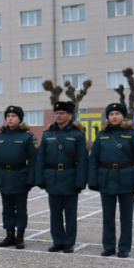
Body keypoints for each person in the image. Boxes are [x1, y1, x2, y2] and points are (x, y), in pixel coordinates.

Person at [88, 103, 134, 258]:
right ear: (107, 117)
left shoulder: (133, 135)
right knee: (108, 216)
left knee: (126, 216)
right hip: (106, 177)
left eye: (117, 114)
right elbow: (93, 160)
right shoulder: (102, 135)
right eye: (111, 114)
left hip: (126, 177)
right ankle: (108, 246)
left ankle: (124, 247)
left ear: (123, 116)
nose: (114, 117)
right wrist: (92, 180)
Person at [35, 101, 88, 253]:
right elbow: (40, 159)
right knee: (55, 213)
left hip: (70, 177)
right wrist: (40, 179)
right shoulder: (48, 134)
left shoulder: (77, 135)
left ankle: (69, 242)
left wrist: (80, 182)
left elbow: (83, 160)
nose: (58, 115)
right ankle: (57, 241)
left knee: (70, 214)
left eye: (62, 113)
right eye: (57, 113)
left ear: (70, 115)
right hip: (52, 177)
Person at [0, 106, 37, 249]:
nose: (10, 118)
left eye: (13, 116)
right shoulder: (0, 136)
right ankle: (9, 235)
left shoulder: (27, 137)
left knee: (20, 209)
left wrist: (30, 179)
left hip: (20, 176)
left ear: (20, 119)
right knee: (7, 208)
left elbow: (33, 160)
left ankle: (20, 236)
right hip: (4, 176)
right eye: (8, 116)